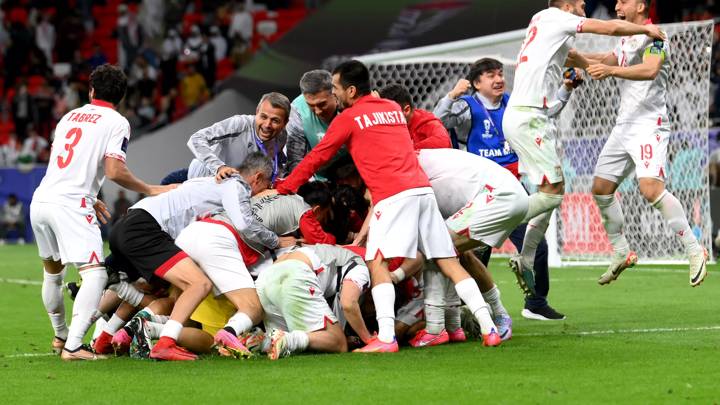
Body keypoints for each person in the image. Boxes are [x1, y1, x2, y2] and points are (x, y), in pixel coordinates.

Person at [276, 60, 502, 352]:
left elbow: (317, 157)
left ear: (351, 90)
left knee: (377, 263)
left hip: (393, 195)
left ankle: (385, 338)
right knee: (448, 260)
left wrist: (285, 186)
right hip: (423, 190)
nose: (334, 94)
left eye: (335, 88)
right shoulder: (392, 108)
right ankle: (490, 328)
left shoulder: (348, 118)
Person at [502, 0, 665, 293]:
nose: (584, 5)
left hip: (527, 116)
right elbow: (610, 27)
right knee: (553, 194)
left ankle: (524, 258)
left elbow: (580, 58)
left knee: (548, 194)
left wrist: (584, 74)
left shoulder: (543, 24)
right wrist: (647, 31)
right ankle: (496, 218)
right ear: (566, 5)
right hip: (529, 118)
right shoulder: (557, 18)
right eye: (579, 3)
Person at [29, 64, 171, 361]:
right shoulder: (117, 121)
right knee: (95, 275)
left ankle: (60, 336)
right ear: (121, 96)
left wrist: (88, 194)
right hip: (70, 204)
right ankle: (75, 347)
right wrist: (148, 188)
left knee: (53, 273)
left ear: (91, 90)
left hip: (43, 199)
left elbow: (64, 162)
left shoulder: (68, 117)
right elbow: (114, 170)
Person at [570, 0, 708, 285]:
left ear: (641, 6)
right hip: (623, 126)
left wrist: (610, 72)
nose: (617, 5)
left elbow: (649, 70)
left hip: (649, 125)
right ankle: (621, 250)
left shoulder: (654, 36)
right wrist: (571, 57)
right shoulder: (626, 38)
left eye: (623, 0)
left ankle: (694, 250)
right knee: (601, 188)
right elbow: (605, 60)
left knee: (650, 189)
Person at [435, 57, 576, 320]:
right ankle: (464, 310)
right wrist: (452, 95)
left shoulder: (513, 103)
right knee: (476, 253)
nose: (499, 79)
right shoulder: (467, 107)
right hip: (479, 192)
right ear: (476, 83)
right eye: (490, 75)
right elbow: (437, 120)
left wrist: (566, 89)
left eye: (500, 73)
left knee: (536, 245)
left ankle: (536, 302)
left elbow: (546, 113)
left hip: (513, 190)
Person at [187, 92, 290, 181]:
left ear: (285, 123)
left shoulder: (281, 136)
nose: (267, 125)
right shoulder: (239, 124)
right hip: (206, 174)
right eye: (263, 117)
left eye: (275, 120)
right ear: (256, 112)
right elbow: (196, 139)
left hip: (238, 184)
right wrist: (219, 167)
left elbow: (277, 162)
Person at [286, 70, 344, 178]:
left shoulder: (350, 104)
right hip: (318, 178)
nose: (317, 111)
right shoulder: (297, 109)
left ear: (334, 94)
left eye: (322, 104)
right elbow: (295, 159)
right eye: (311, 105)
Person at [378, 83, 451, 150]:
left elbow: (444, 141)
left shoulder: (426, 122)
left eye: (391, 114)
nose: (387, 119)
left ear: (406, 110)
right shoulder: (387, 125)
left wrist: (406, 150)